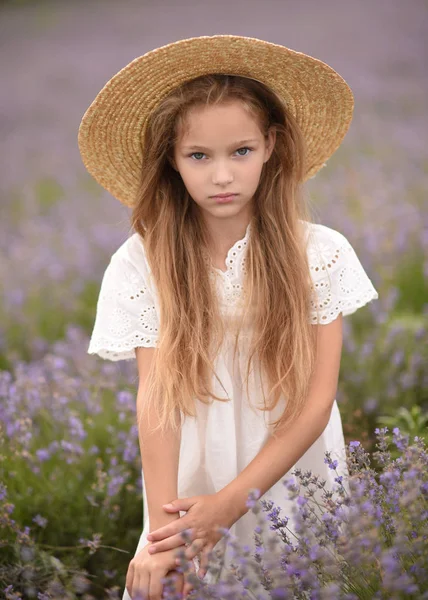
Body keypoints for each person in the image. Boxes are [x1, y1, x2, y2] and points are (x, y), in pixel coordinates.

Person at [78, 35, 379, 600]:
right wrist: (162, 538)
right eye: (199, 156)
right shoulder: (141, 261)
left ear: (270, 146)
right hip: (191, 479)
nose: (222, 176)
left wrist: (232, 504)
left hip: (292, 469)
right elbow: (157, 400)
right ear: (171, 159)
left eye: (240, 151)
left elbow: (316, 403)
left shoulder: (320, 252)